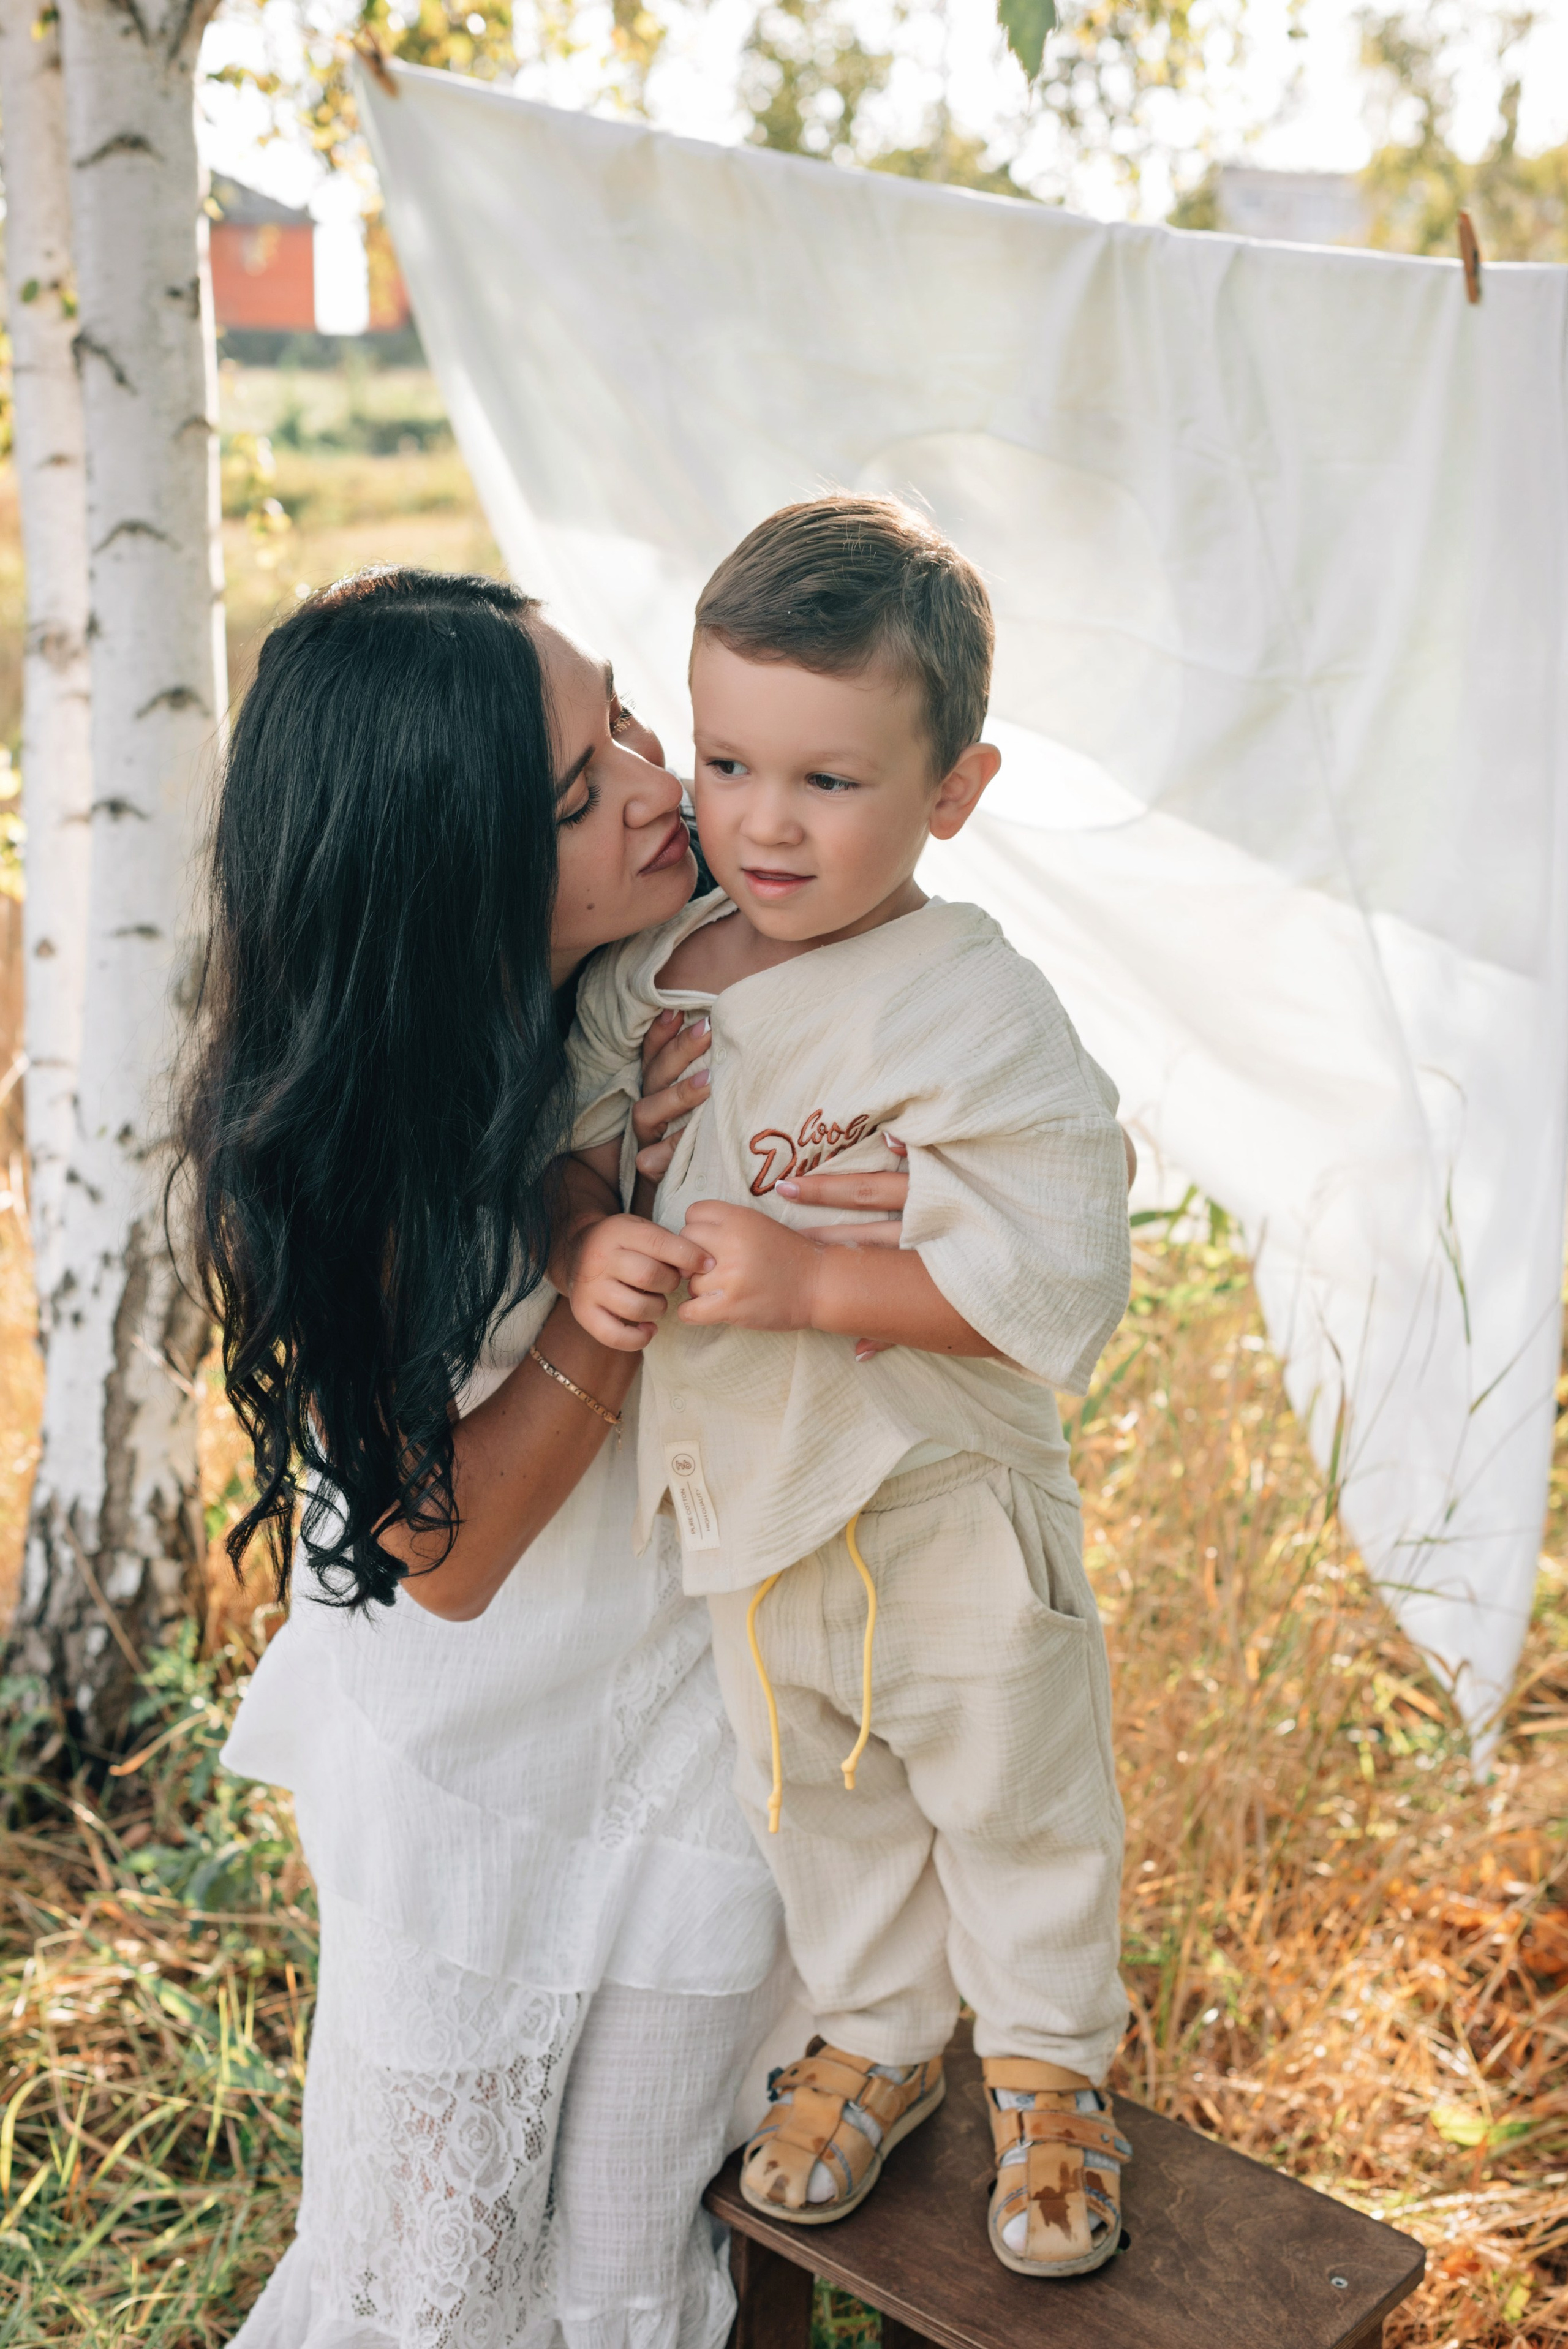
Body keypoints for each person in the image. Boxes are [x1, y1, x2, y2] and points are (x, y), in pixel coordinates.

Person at [179, 566, 904, 2349]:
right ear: (451, 883)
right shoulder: (363, 1144)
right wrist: (603, 1281)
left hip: (681, 1718)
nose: (665, 786)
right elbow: (453, 1552)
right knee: (436, 2256)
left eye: (626, 723)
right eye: (580, 793)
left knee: (647, 2240)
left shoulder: (682, 970)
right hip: (477, 1769)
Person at [562, 496, 1134, 2282]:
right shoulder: (652, 978)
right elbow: (573, 1145)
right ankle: (883, 2029)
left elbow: (1060, 1249)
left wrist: (819, 1280)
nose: (760, 820)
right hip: (752, 1495)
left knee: (1012, 1779)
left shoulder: (963, 995)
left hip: (938, 1488)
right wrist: (589, 1228)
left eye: (829, 781)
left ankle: (1051, 2067)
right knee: (816, 1787)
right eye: (728, 760)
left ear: (951, 792)